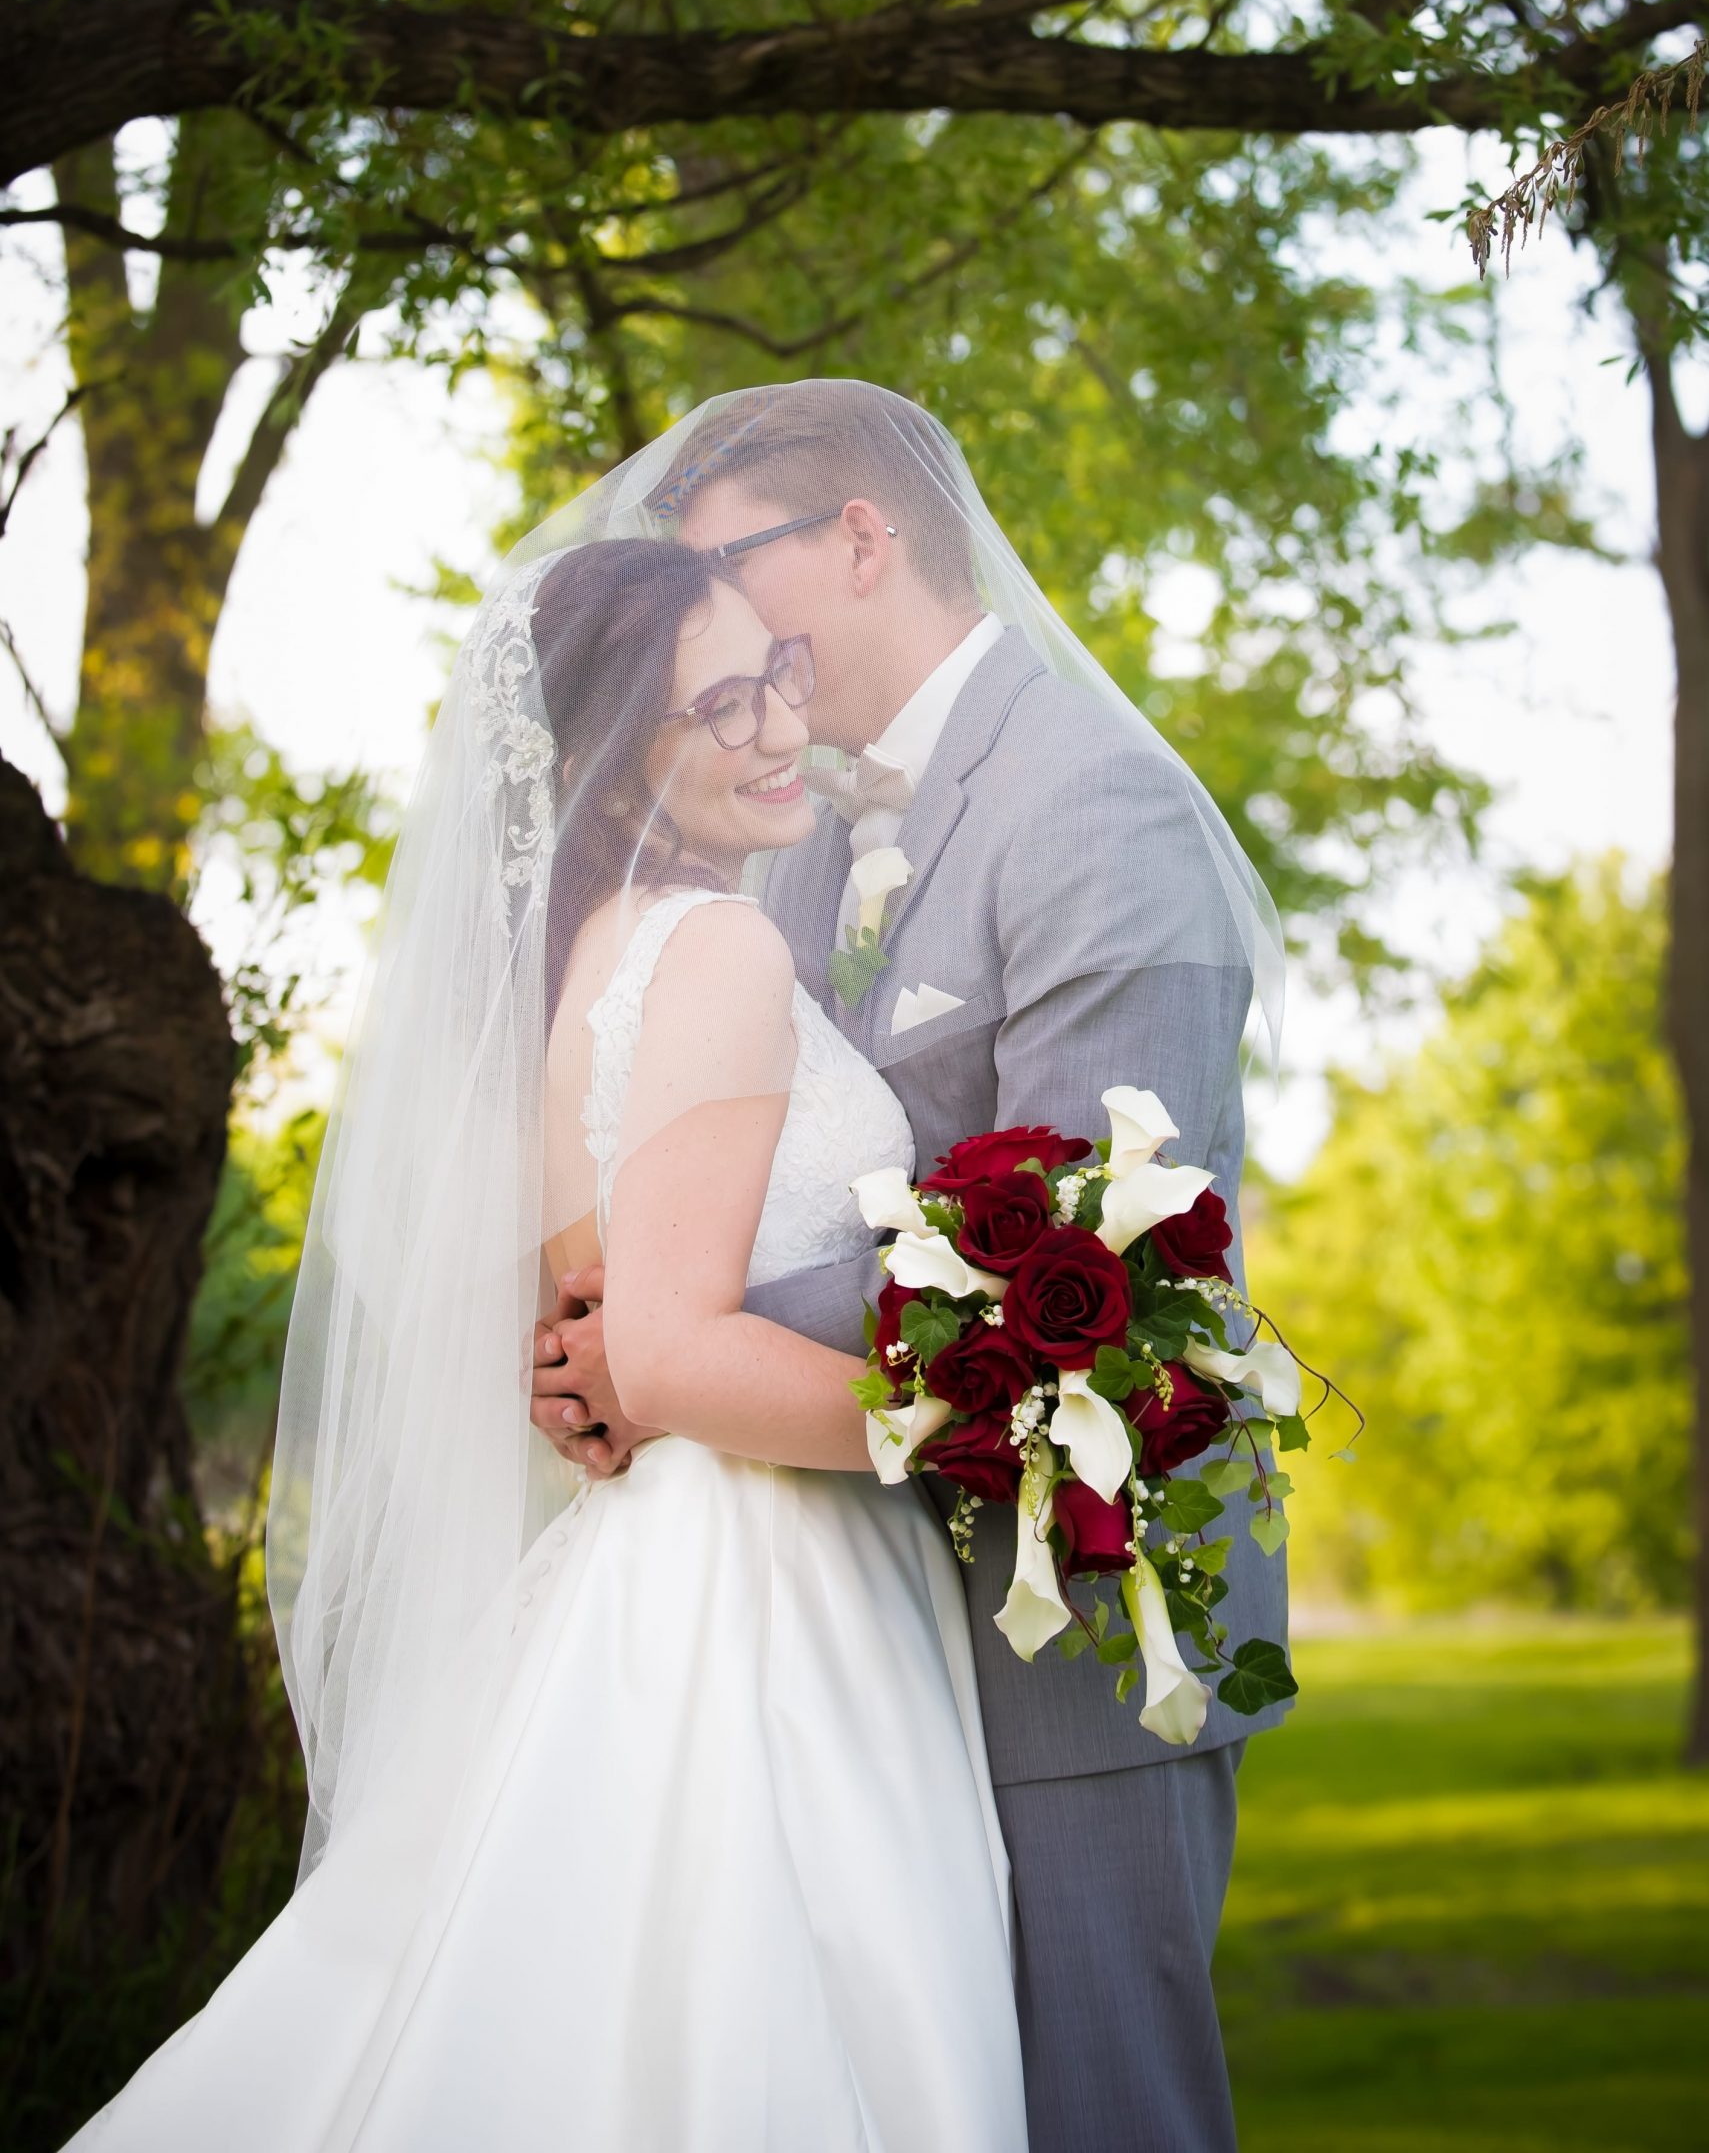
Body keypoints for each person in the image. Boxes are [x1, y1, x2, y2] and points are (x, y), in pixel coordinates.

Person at [66, 535, 1025, 2151]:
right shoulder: (713, 948)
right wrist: (992, 1416)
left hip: (648, 1552)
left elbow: (593, 1323)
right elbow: (659, 1352)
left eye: (775, 674)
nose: (777, 729)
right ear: (601, 760)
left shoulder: (573, 964)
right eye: (716, 707)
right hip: (766, 1583)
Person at [531, 378, 1288, 2153]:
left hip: (1078, 1612)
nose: (702, 621)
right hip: (829, 1609)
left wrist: (662, 1343)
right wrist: (612, 1319)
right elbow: (708, 1158)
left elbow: (1114, 1256)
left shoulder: (1095, 802)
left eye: (726, 563)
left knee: (1100, 2112)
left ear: (861, 541)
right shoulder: (769, 839)